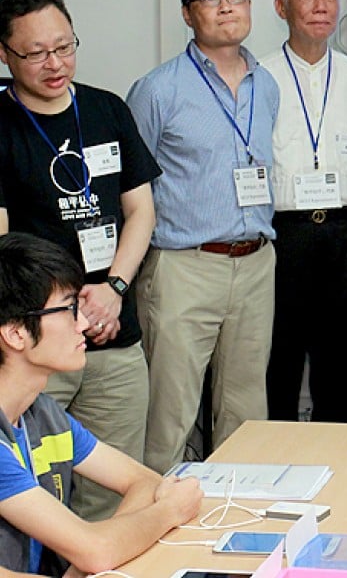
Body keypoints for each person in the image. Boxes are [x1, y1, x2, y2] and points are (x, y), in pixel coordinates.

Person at [0, 0, 160, 520]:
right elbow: (4, 246)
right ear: (4, 53)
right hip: (38, 339)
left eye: (65, 47)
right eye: (36, 53)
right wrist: (66, 310)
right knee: (35, 494)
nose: (54, 63)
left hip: (114, 330)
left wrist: (113, 290)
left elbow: (140, 212)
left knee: (118, 491)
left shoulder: (106, 109)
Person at [126, 0, 280, 472]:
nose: (225, 7)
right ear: (188, 14)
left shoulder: (268, 84)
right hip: (184, 266)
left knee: (246, 409)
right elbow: (131, 190)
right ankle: (151, 528)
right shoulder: (158, 90)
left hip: (257, 263)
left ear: (251, 5)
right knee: (170, 411)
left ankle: (239, 518)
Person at [0, 232, 201, 576]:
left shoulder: (41, 413)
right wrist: (168, 512)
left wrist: (97, 550)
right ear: (16, 333)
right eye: (68, 310)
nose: (83, 323)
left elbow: (145, 482)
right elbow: (98, 551)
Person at [262, 0, 347, 422]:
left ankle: (336, 475)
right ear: (281, 7)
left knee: (338, 367)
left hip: (345, 235)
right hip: (280, 237)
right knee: (278, 366)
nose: (321, 5)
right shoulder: (258, 77)